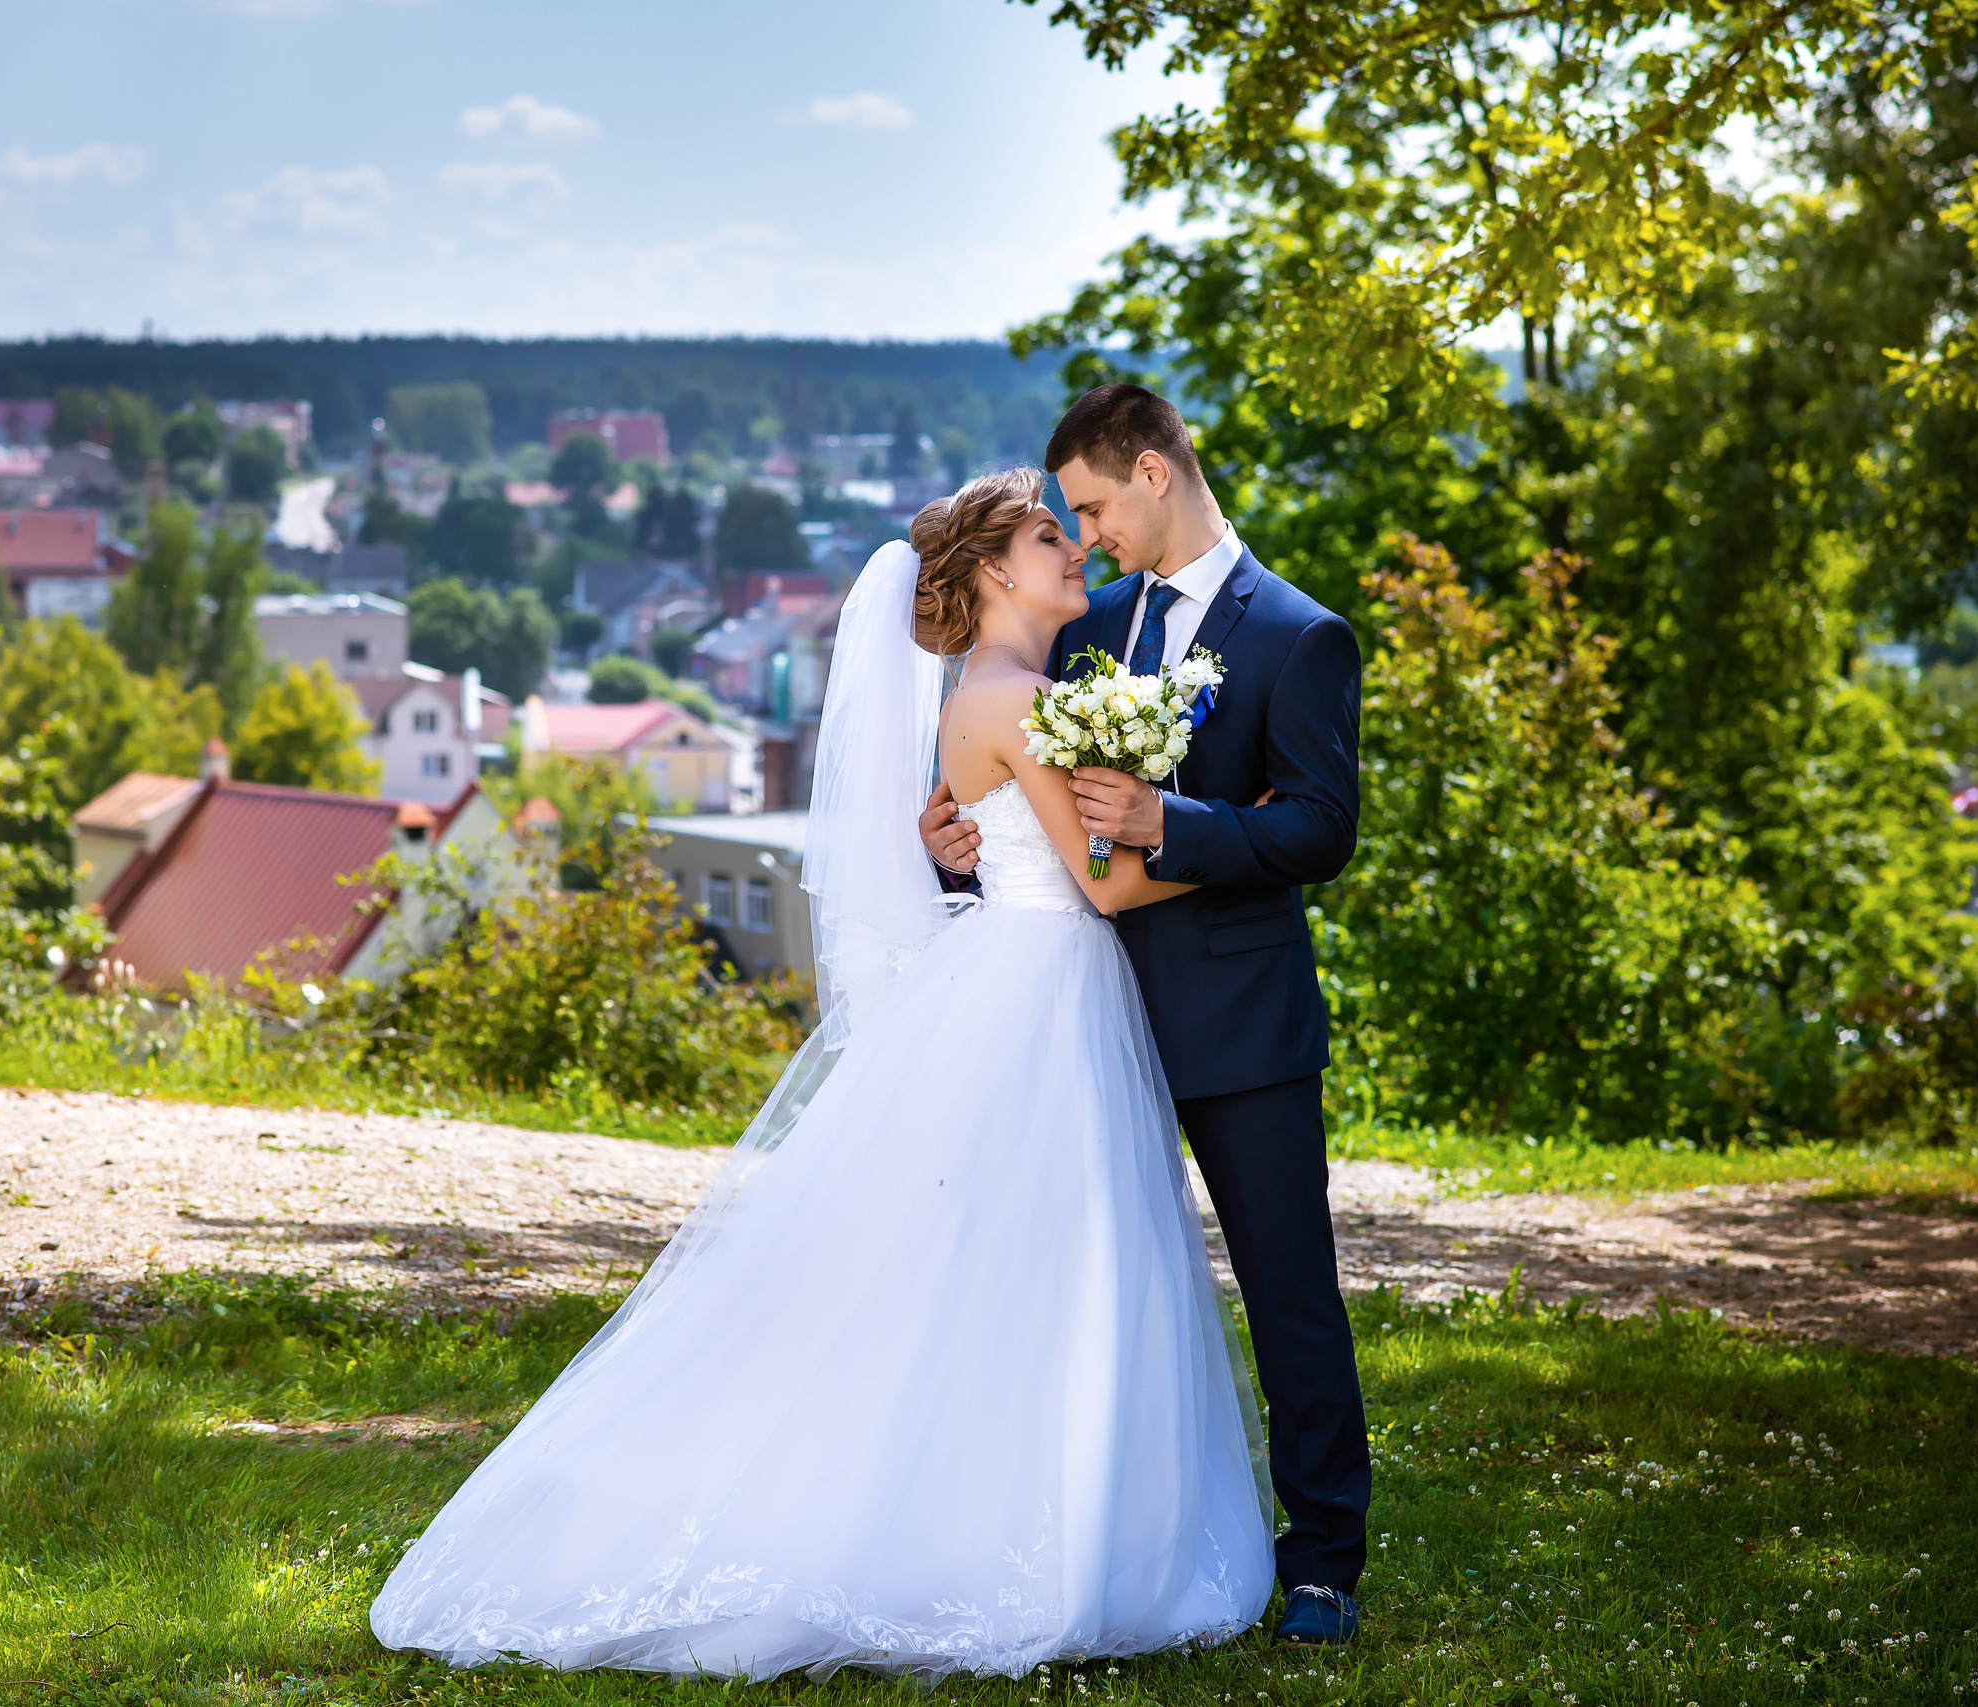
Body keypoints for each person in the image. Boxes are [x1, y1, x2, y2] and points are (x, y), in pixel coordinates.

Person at [369, 467, 1275, 1682]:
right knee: (1056, 1250)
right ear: (994, 570)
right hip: (1045, 981)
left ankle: (1028, 1516)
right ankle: (1039, 1530)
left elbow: (1024, 845)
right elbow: (1104, 883)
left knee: (1021, 1258)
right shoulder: (1013, 699)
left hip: (1032, 979)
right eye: (1045, 535)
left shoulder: (1004, 691)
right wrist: (1238, 832)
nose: (1073, 549)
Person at [920, 383, 1369, 1646]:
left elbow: (1319, 827)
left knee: (1288, 1292)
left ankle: (1322, 1567)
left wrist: (1182, 824)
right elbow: (1005, 783)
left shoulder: (1300, 635)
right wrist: (943, 833)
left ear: (1156, 475)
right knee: (1065, 1288)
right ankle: (1068, 1538)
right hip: (1070, 1026)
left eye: (1095, 507)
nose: (1089, 535)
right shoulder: (1083, 625)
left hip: (1236, 1019)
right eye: (1068, 520)